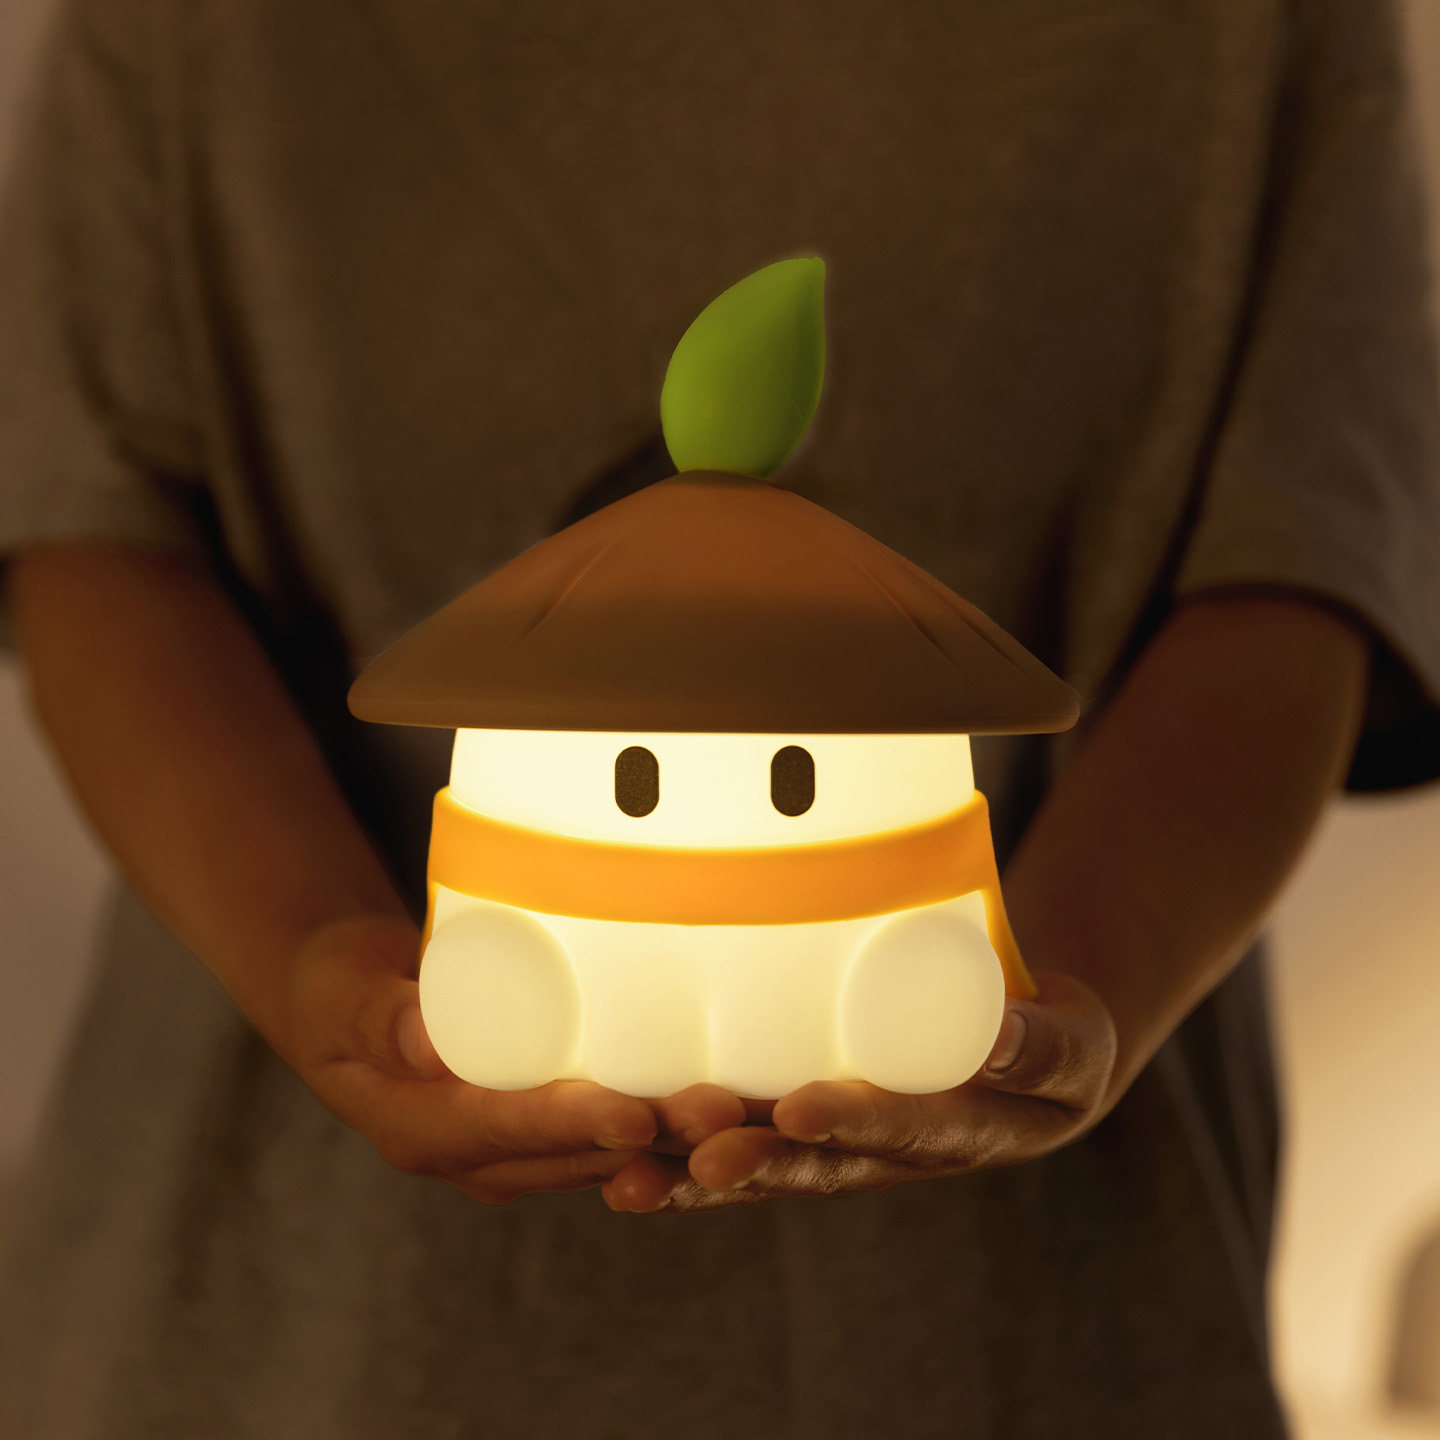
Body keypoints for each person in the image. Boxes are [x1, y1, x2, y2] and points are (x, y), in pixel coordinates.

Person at [0, 0, 1437, 1435]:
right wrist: (316, 949)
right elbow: (89, 511)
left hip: (1038, 1325)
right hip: (278, 1314)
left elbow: (1310, 540)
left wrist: (1068, 982)